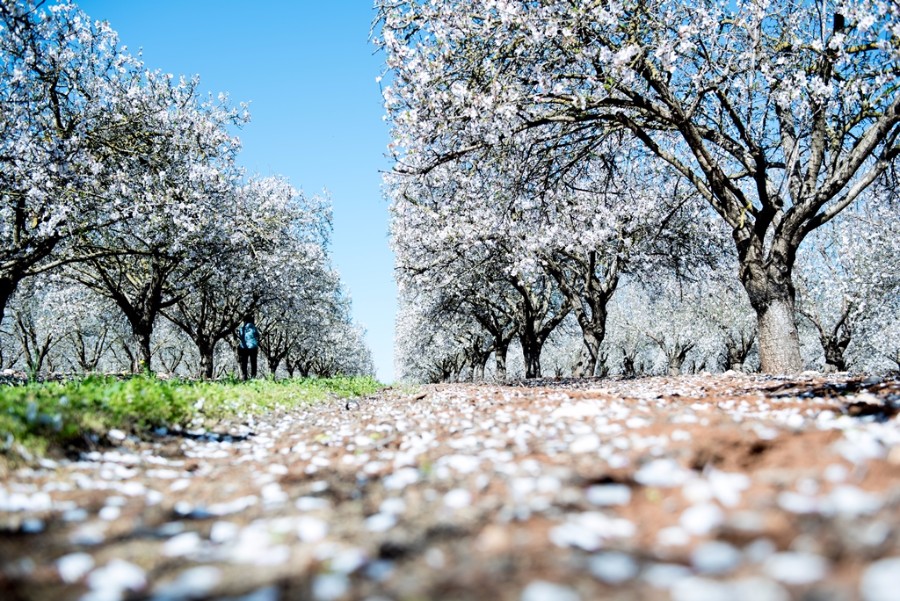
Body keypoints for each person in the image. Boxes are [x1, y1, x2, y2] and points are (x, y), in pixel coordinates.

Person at [236, 314, 259, 380]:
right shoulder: (253, 328)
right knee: (253, 363)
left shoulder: (241, 328)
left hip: (243, 348)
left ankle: (244, 377)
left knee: (244, 363)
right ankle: (253, 377)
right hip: (253, 347)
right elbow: (257, 335)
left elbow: (240, 336)